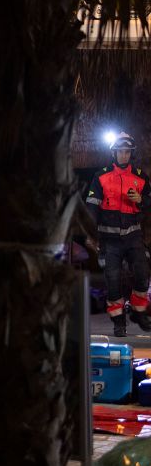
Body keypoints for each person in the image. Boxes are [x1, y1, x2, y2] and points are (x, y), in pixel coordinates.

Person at [86, 131, 151, 337]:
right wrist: (89, 232)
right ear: (113, 153)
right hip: (109, 239)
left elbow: (149, 201)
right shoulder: (100, 176)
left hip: (133, 236)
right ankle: (118, 321)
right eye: (120, 152)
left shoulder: (140, 177)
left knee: (142, 274)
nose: (123, 155)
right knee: (112, 280)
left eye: (127, 152)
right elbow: (91, 207)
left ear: (131, 154)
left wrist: (141, 200)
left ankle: (138, 313)